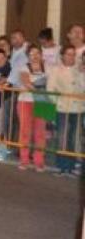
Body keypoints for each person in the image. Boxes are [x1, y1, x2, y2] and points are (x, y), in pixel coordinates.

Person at [47, 45, 85, 175]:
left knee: (75, 138)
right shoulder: (55, 70)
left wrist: (81, 73)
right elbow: (50, 90)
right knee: (62, 137)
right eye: (68, 54)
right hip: (63, 109)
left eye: (73, 54)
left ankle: (72, 165)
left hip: (78, 108)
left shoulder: (79, 69)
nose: (71, 57)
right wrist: (58, 103)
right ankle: (62, 166)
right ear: (62, 55)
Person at [16, 45, 48, 171]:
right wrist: (41, 91)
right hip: (26, 100)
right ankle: (24, 159)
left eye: (37, 53)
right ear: (28, 56)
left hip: (44, 102)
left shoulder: (49, 67)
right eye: (31, 54)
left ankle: (39, 161)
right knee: (25, 131)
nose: (34, 56)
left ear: (41, 54)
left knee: (41, 133)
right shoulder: (24, 67)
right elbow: (26, 82)